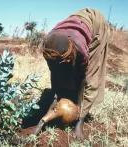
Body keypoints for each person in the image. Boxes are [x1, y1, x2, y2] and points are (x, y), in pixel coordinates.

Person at [42, 8, 110, 138]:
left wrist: (80, 121)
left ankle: (80, 120)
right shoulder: (49, 45)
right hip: (78, 21)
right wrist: (55, 98)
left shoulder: (80, 50)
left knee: (89, 75)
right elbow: (55, 73)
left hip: (96, 25)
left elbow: (89, 80)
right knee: (61, 70)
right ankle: (69, 96)